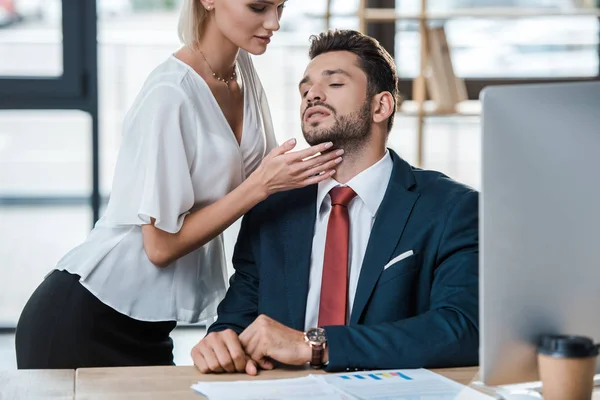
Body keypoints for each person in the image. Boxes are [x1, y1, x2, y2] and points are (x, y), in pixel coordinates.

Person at [15, 0, 344, 369]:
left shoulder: (242, 71)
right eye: (258, 7)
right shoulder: (169, 92)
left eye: (280, 7)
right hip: (85, 318)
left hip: (151, 328)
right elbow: (159, 246)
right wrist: (262, 186)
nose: (274, 23)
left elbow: (264, 179)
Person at [191, 29, 479, 375]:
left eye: (335, 84)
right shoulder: (273, 207)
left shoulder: (451, 208)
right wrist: (220, 343)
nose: (312, 94)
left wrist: (313, 346)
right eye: (305, 89)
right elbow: (236, 323)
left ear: (380, 105)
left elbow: (462, 329)